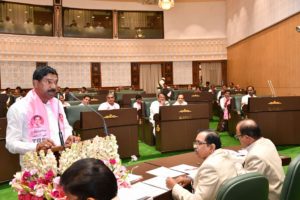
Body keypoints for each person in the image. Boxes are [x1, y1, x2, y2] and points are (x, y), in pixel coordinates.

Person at [6, 66, 80, 167]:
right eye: (49, 82)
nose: (54, 86)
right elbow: (11, 143)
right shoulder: (19, 108)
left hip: (61, 160)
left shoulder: (57, 103)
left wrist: (68, 137)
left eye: (55, 82)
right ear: (36, 83)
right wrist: (36, 146)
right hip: (36, 166)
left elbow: (65, 127)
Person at [166, 130, 238, 200]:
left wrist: (174, 186)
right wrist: (192, 180)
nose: (195, 147)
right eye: (195, 143)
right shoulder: (225, 155)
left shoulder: (210, 167)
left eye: (199, 143)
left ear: (211, 147)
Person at [235, 119, 285, 200]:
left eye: (238, 136)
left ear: (247, 138)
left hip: (270, 196)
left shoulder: (256, 156)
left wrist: (236, 163)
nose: (238, 139)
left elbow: (247, 182)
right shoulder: (267, 141)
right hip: (279, 188)